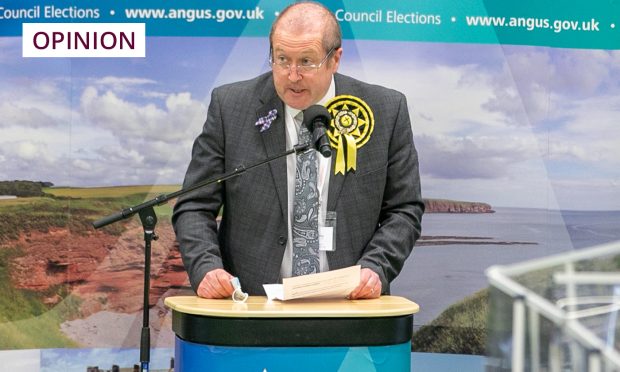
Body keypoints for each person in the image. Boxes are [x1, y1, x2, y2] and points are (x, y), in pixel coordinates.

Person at [172, 1, 424, 300]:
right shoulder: (231, 108)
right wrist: (206, 268)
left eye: (306, 61)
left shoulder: (385, 110)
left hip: (350, 304)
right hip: (252, 304)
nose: (292, 75)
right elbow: (194, 205)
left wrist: (375, 268)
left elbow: (404, 209)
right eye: (281, 59)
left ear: (335, 59)